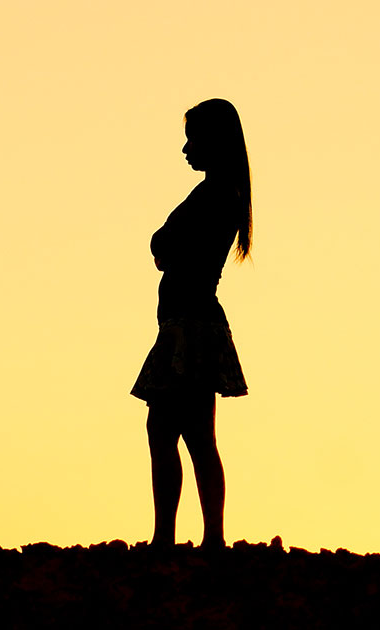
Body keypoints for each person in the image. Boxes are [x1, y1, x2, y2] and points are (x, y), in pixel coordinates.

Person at [131, 98, 252, 550]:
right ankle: (207, 539)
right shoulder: (221, 193)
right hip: (190, 323)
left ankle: (171, 538)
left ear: (213, 141)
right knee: (194, 433)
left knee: (167, 429)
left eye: (192, 138)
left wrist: (164, 247)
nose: (186, 149)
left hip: (190, 324)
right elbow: (168, 246)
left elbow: (170, 244)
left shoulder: (215, 194)